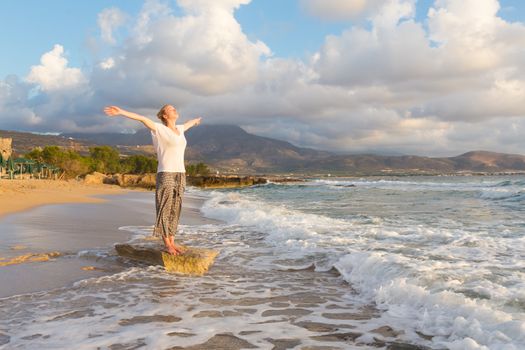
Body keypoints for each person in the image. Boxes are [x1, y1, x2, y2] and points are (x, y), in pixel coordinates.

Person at [104, 105, 202, 255]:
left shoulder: (180, 129)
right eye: (170, 109)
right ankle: (167, 244)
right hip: (166, 173)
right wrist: (121, 112)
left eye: (175, 108)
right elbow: (142, 118)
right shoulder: (158, 129)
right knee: (165, 207)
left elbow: (189, 123)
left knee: (175, 208)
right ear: (164, 115)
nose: (174, 110)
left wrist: (195, 121)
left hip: (180, 173)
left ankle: (173, 241)